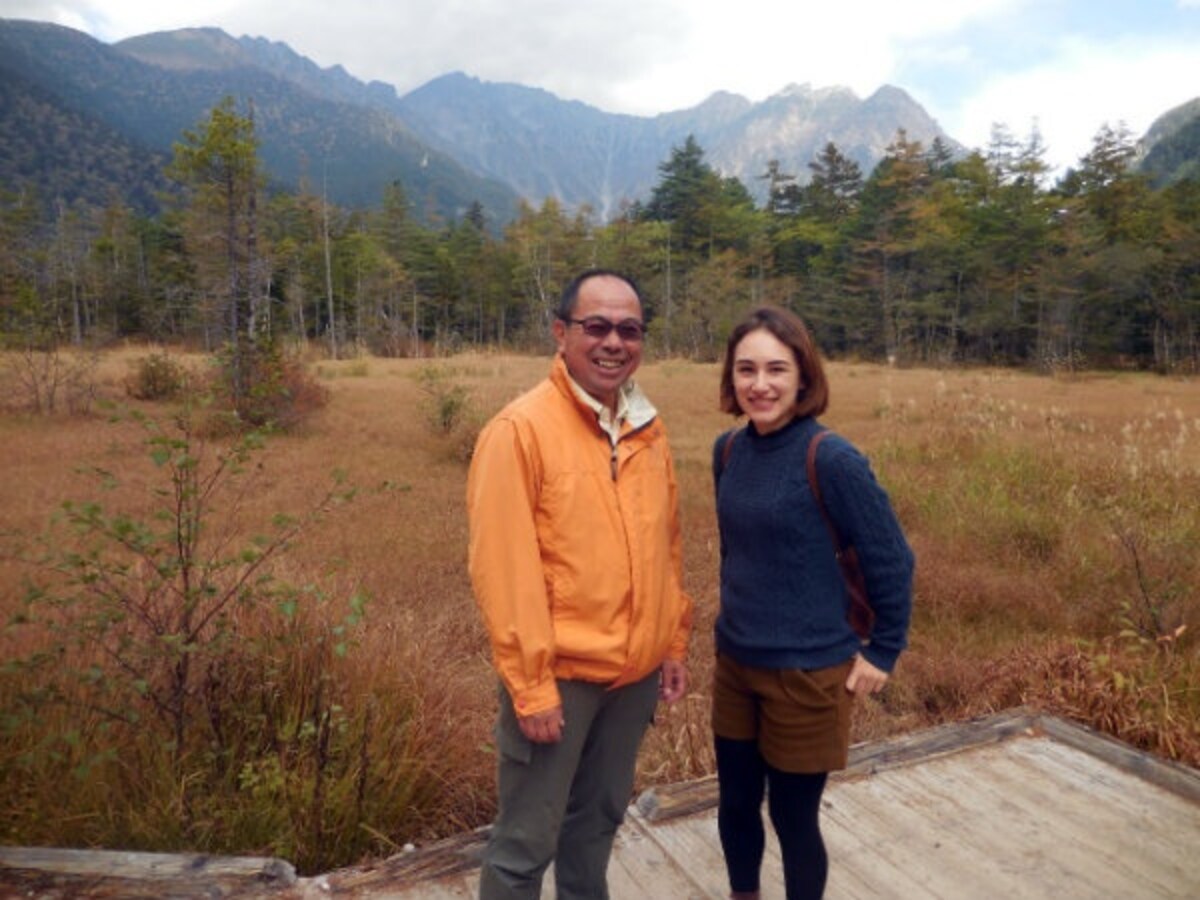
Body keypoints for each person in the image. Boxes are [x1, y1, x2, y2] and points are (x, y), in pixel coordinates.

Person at [467, 269, 693, 900]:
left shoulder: (648, 428)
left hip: (634, 678)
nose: (613, 342)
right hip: (559, 680)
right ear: (561, 333)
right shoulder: (519, 432)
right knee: (522, 846)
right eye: (596, 327)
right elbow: (503, 571)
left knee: (595, 825)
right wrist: (531, 687)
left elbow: (666, 546)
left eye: (629, 329)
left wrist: (672, 642)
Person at [711, 306, 914, 900]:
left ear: (804, 376)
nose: (760, 384)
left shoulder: (832, 459)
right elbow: (736, 552)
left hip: (809, 675)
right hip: (737, 664)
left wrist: (883, 650)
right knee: (735, 805)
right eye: (746, 369)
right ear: (731, 378)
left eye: (777, 368)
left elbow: (891, 558)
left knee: (793, 818)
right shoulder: (728, 452)